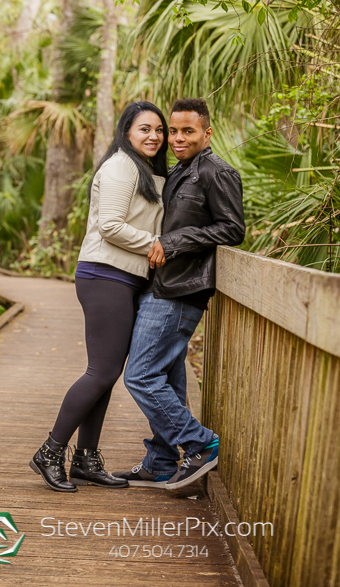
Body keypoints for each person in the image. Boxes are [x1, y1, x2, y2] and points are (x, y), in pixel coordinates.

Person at [30, 101, 168, 492]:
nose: (154, 135)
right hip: (105, 275)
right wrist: (157, 244)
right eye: (145, 128)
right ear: (127, 131)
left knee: (106, 373)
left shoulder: (144, 170)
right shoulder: (121, 166)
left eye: (158, 129)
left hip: (123, 278)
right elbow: (109, 225)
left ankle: (86, 459)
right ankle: (51, 451)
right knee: (102, 371)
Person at [113, 98, 245, 490]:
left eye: (188, 131)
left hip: (181, 291)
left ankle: (199, 443)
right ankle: (162, 460)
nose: (177, 138)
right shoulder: (178, 171)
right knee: (166, 380)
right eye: (173, 130)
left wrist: (176, 241)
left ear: (207, 132)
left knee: (139, 375)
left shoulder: (217, 173)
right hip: (161, 285)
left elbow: (232, 228)